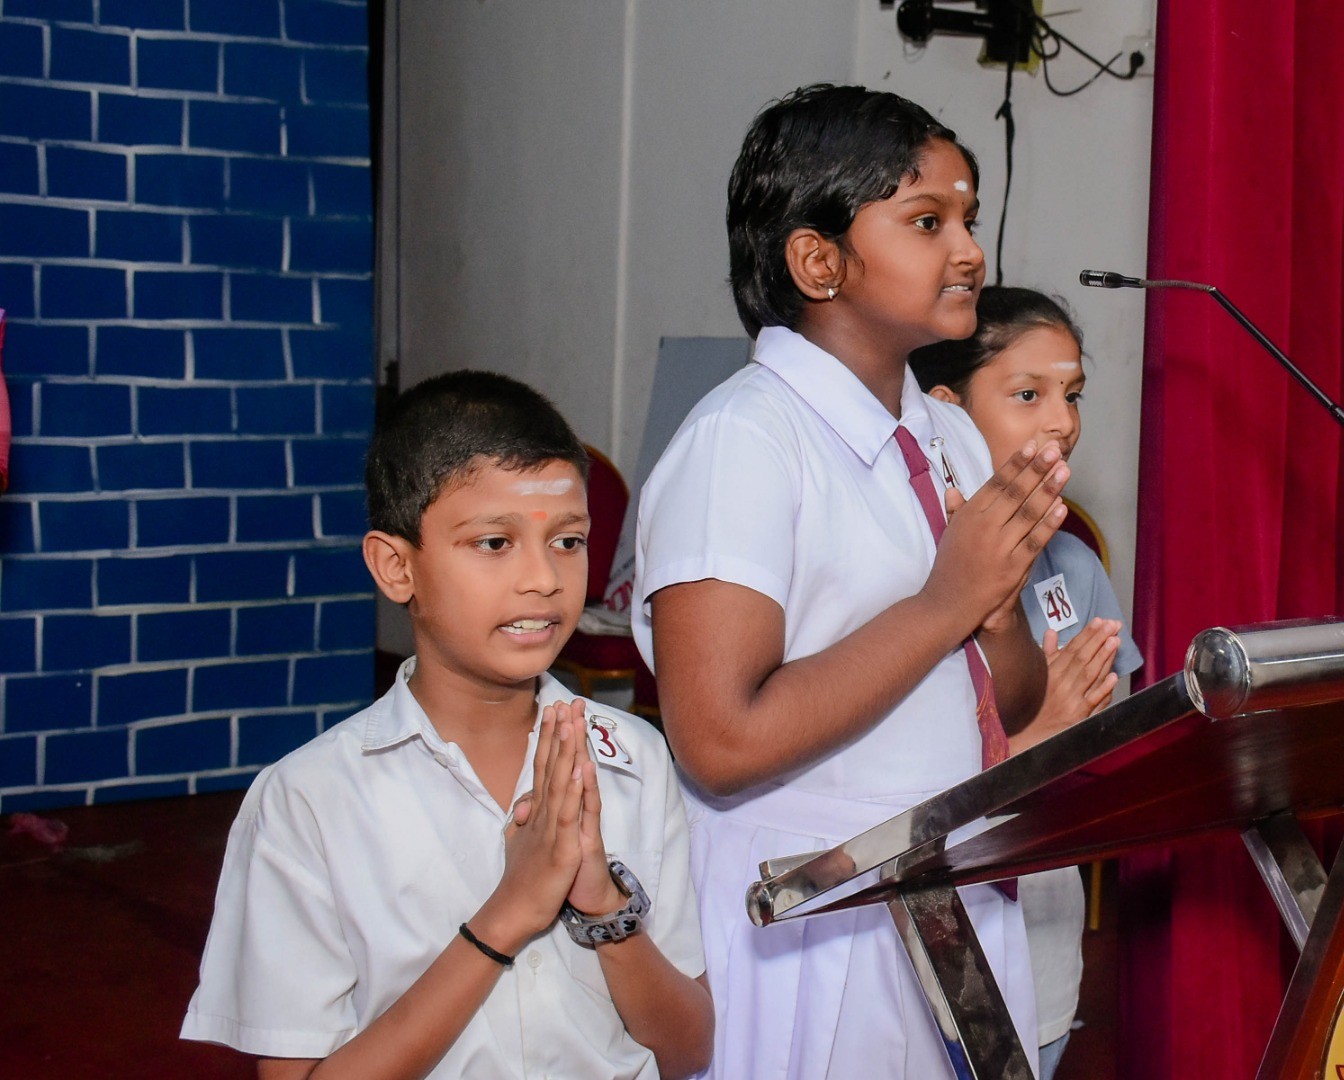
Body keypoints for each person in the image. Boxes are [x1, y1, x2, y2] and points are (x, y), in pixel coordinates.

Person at [633, 84, 1071, 1079]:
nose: (970, 251)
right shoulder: (744, 441)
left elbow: (1005, 703)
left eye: (969, 218)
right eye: (927, 221)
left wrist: (998, 617)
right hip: (812, 913)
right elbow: (719, 741)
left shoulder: (950, 433)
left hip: (948, 883)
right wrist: (946, 603)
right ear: (818, 261)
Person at [182, 371, 713, 1079]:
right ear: (396, 567)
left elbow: (689, 1048)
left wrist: (602, 906)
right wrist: (508, 914)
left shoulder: (635, 761)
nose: (544, 579)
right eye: (494, 543)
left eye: (568, 541)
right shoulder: (310, 801)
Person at [910, 285, 1144, 1079]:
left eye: (1071, 395)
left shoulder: (1074, 564)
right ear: (945, 410)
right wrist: (1031, 739)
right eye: (1027, 394)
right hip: (921, 921)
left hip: (1043, 911)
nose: (1062, 421)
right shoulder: (905, 566)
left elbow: (1107, 754)